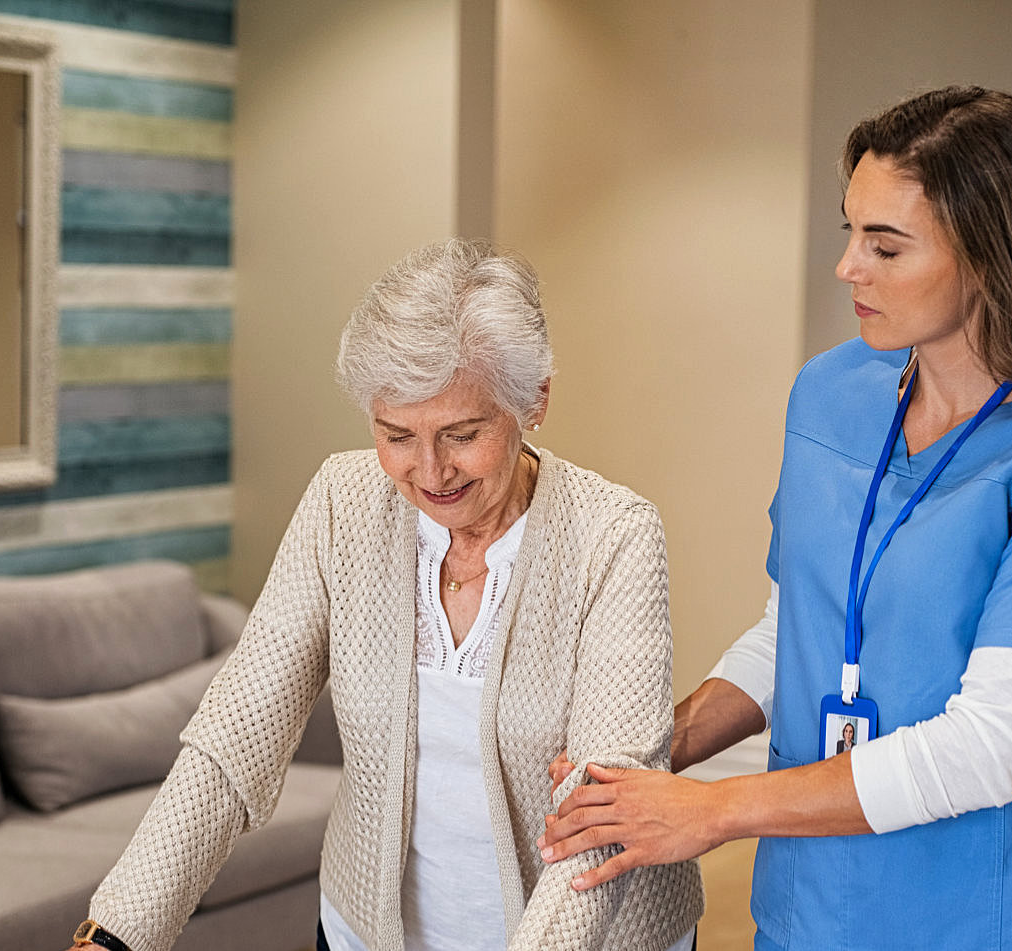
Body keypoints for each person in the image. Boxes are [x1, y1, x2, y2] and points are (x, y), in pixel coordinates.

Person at [537, 85, 1012, 951]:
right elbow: (795, 627)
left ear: (990, 256)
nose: (848, 267)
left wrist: (711, 811)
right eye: (850, 231)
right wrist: (655, 753)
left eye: (886, 245)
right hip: (805, 899)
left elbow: (986, 747)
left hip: (969, 911)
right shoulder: (830, 392)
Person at [70, 239, 701, 951]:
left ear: (535, 401)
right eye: (396, 433)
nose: (429, 471)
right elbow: (235, 736)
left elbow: (602, 815)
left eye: (461, 434)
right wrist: (116, 933)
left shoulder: (614, 535)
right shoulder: (343, 504)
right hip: (368, 932)